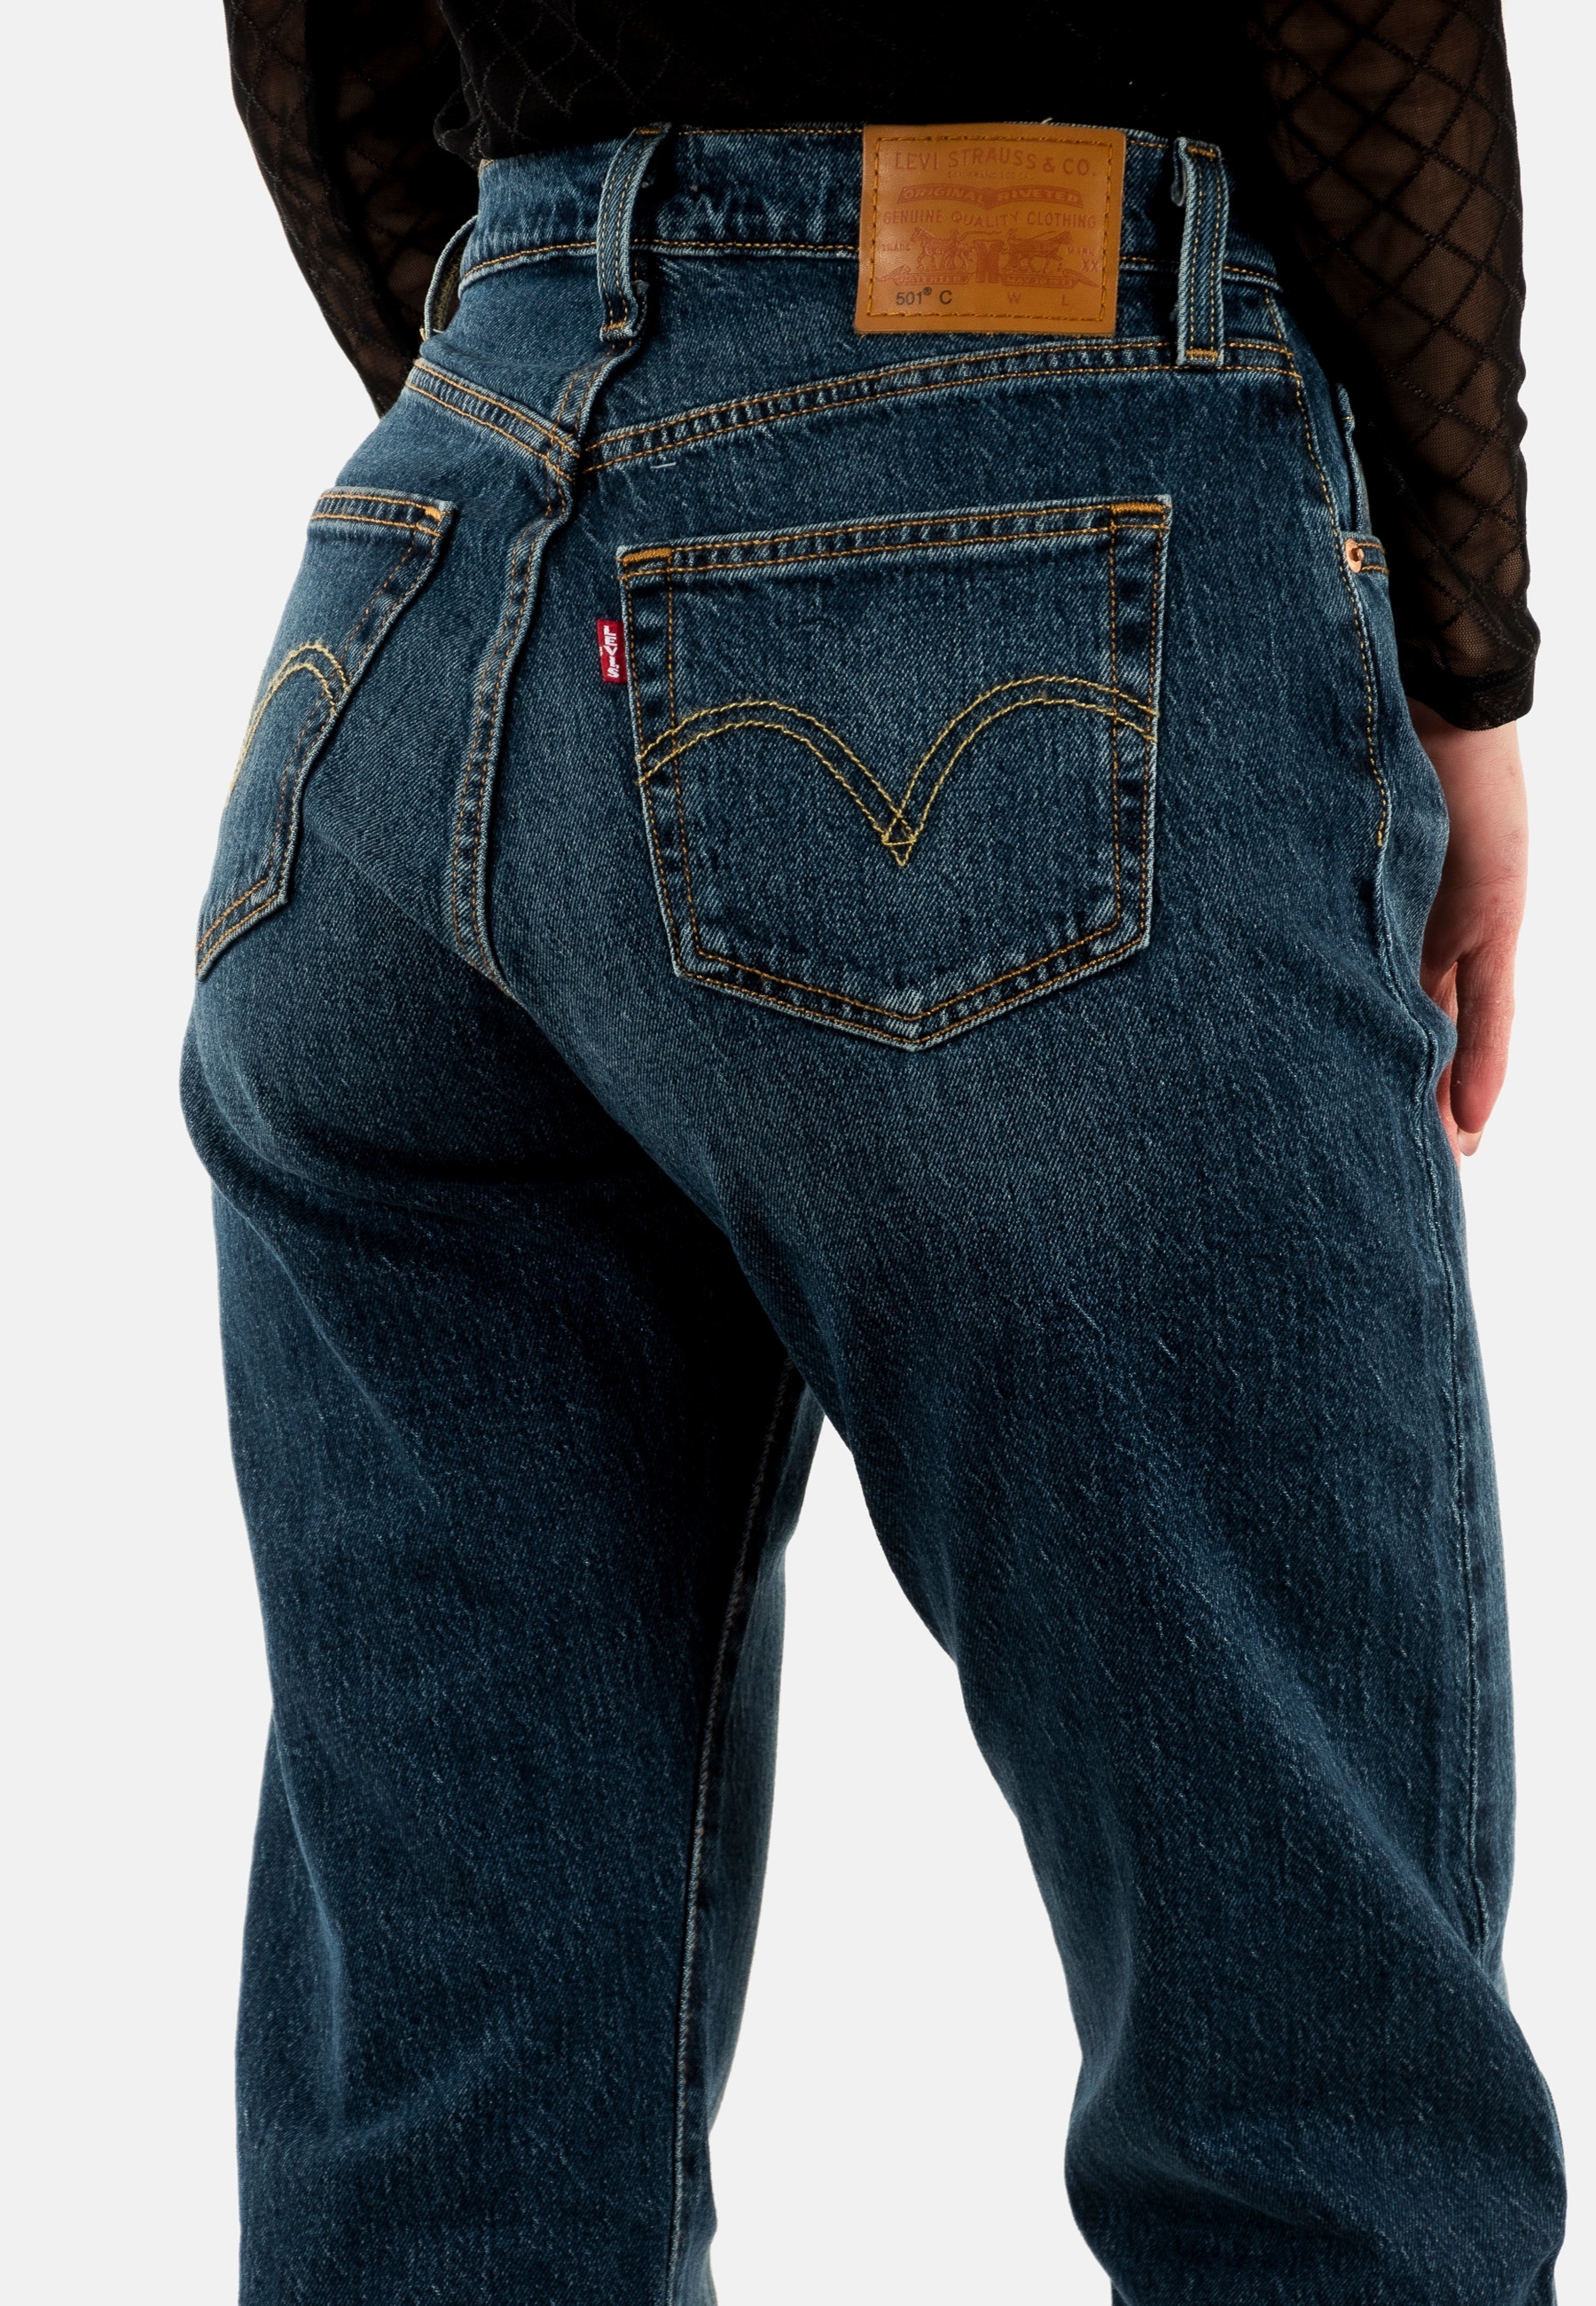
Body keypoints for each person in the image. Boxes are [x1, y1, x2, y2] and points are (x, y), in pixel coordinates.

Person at [184, 4, 1560, 2299]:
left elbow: (309, 45)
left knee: (453, 2166)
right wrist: (1468, 655)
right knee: (1319, 2140)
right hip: (1035, 484)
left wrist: (601, 432)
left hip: (413, 611)